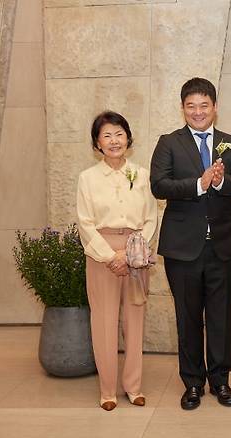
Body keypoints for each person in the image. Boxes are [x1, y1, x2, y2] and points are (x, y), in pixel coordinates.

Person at [150, 77, 231, 410]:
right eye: (191, 106)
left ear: (215, 108)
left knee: (221, 317)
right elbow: (159, 185)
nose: (198, 111)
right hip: (182, 248)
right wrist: (198, 184)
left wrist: (221, 182)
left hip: (221, 246)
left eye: (204, 105)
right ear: (183, 108)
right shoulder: (169, 143)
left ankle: (220, 381)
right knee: (188, 317)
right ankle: (192, 383)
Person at [77, 111, 158, 411]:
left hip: (136, 252)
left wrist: (133, 252)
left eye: (119, 134)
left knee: (134, 322)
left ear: (128, 138)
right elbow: (85, 223)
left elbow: (151, 217)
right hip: (102, 254)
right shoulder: (88, 178)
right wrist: (111, 256)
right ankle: (108, 390)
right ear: (97, 143)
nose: (114, 141)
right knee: (104, 322)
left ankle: (133, 387)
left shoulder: (142, 174)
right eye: (107, 135)